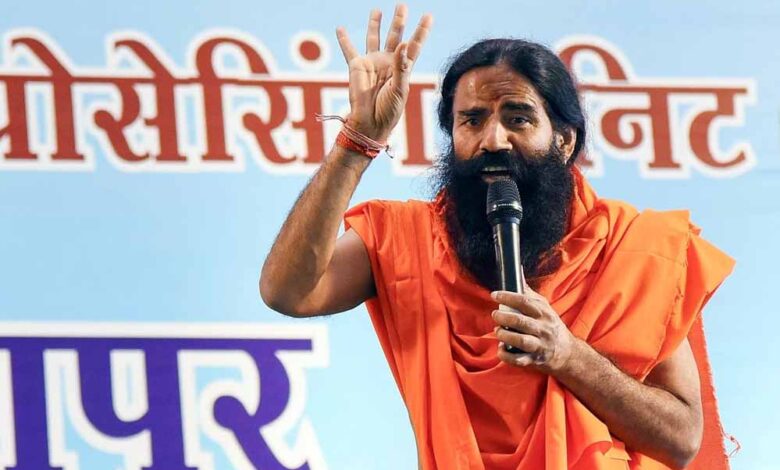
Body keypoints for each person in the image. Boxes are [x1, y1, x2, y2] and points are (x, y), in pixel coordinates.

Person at [260, 5, 733, 469]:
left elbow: (681, 439)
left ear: (564, 140)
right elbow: (289, 291)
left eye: (518, 118)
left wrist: (569, 356)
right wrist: (357, 141)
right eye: (472, 120)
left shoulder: (632, 249)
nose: (493, 140)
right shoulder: (406, 239)